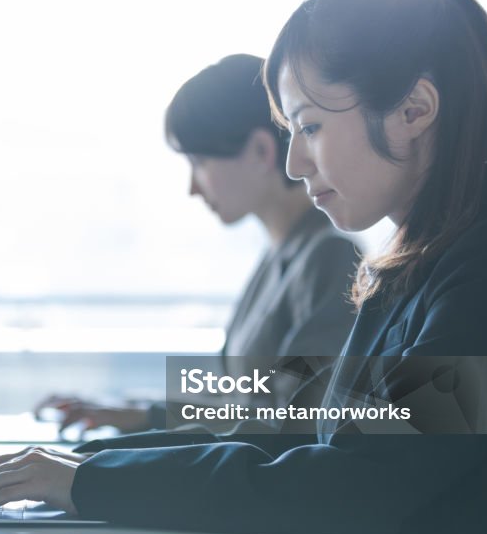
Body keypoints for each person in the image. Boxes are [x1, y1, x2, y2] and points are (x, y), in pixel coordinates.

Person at [0, 0, 487, 534]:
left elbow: (353, 479)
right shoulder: (413, 266)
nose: (293, 163)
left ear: (414, 109)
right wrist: (81, 463)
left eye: (309, 127)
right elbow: (304, 431)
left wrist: (89, 476)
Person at [37, 54, 358, 434]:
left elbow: (290, 422)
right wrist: (138, 409)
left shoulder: (327, 259)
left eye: (199, 162)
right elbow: (246, 403)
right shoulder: (282, 255)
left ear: (260, 151)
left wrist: (144, 423)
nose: (193, 188)